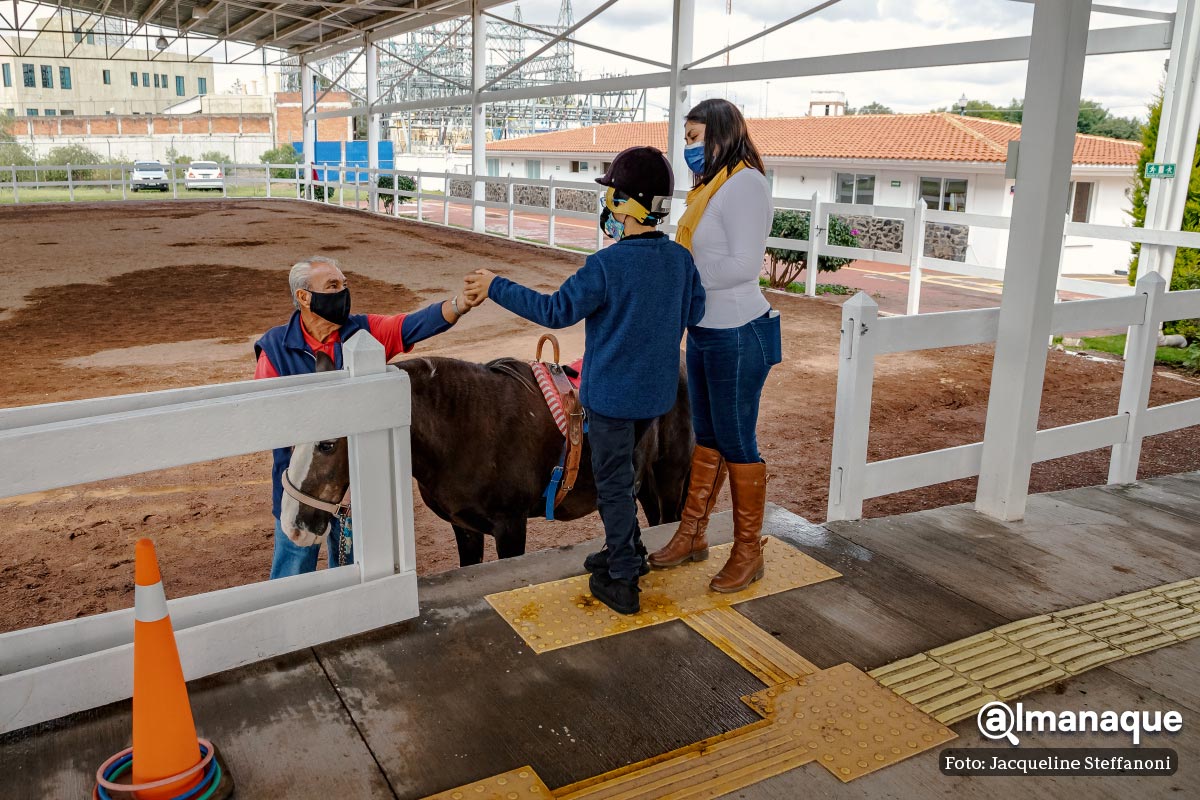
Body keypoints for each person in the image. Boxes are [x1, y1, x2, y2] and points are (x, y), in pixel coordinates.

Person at [463, 146, 705, 615]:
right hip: (655, 395)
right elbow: (694, 312)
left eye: (612, 195)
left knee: (614, 484)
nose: (607, 205)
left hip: (612, 396)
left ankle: (624, 580)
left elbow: (554, 311)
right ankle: (625, 548)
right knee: (628, 473)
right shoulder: (679, 260)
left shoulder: (606, 267)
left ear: (625, 204)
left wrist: (496, 284)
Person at [255, 255, 476, 579]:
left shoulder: (364, 331)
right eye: (332, 286)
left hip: (356, 490)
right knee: (292, 572)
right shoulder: (275, 348)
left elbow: (412, 324)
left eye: (344, 285)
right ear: (304, 297)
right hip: (304, 487)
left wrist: (458, 304)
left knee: (353, 574)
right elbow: (265, 418)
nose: (343, 293)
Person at [648, 98, 781, 594]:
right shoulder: (710, 188)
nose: (689, 148)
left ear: (721, 134)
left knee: (737, 441)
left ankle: (748, 551)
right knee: (706, 438)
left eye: (694, 138)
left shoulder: (745, 184)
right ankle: (693, 534)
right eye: (686, 139)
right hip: (706, 331)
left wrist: (682, 276)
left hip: (740, 334)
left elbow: (745, 267)